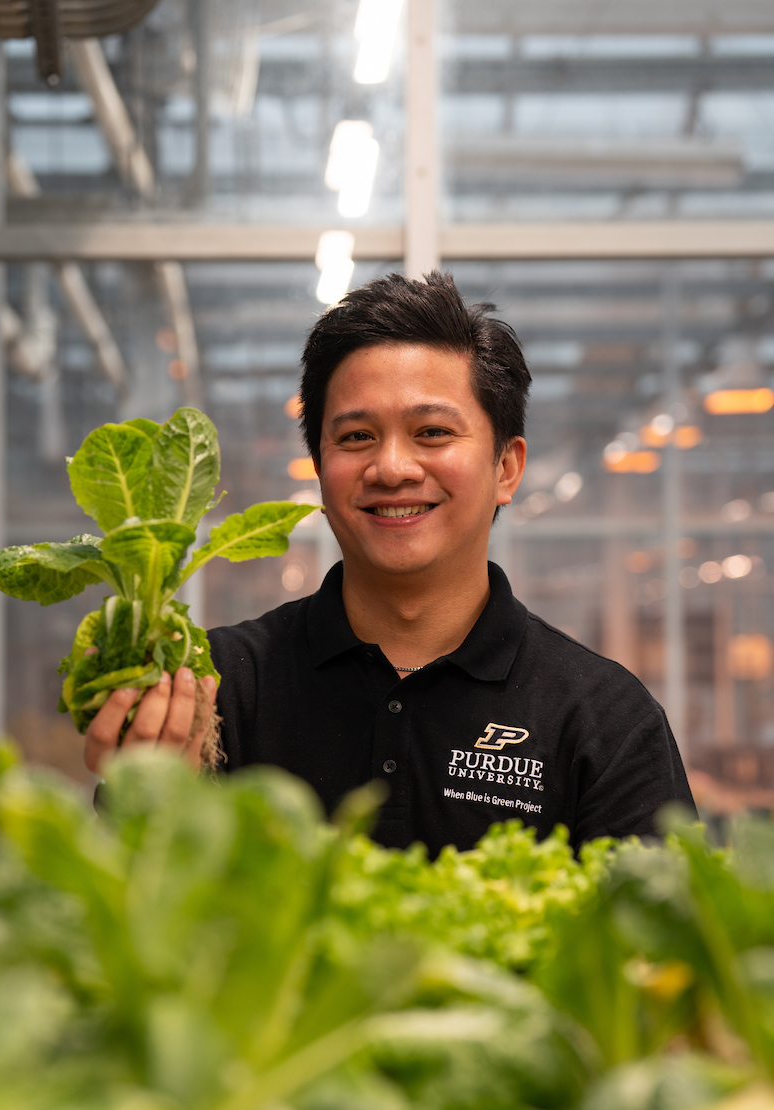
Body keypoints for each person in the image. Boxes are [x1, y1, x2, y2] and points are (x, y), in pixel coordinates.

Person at [85, 272, 696, 853]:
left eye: (432, 432)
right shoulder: (215, 685)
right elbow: (129, 927)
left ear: (506, 467)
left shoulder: (605, 719)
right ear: (321, 470)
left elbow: (658, 949)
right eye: (355, 437)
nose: (392, 468)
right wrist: (147, 798)